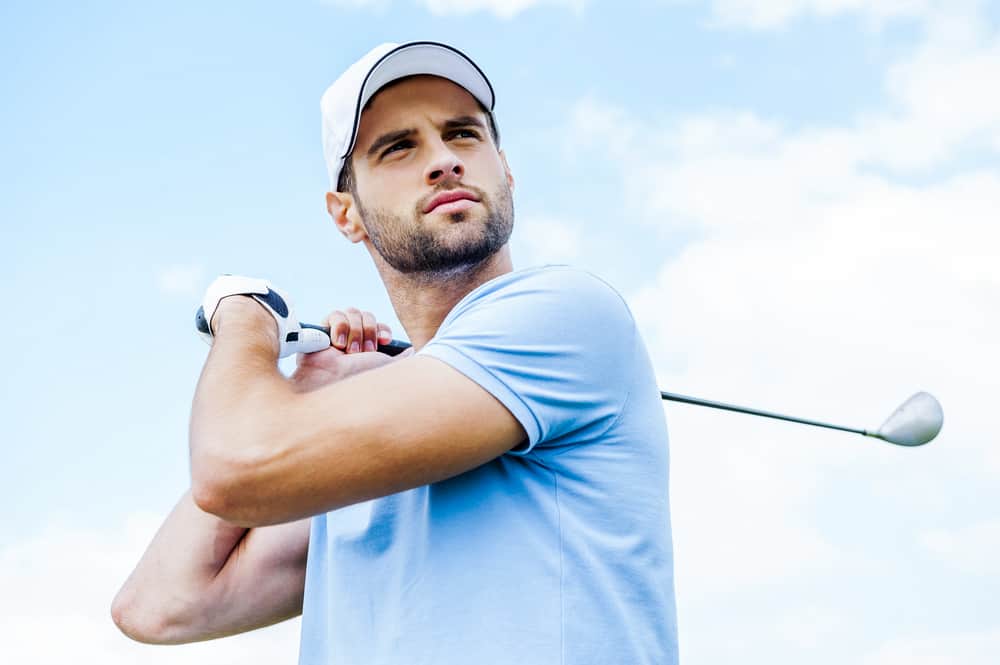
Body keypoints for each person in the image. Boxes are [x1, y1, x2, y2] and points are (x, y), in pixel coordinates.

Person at [112, 41, 678, 664]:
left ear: (506, 170)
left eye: (463, 135)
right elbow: (160, 604)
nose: (443, 162)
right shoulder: (354, 454)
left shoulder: (563, 314)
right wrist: (307, 395)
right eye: (399, 147)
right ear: (346, 213)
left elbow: (232, 469)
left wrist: (245, 315)